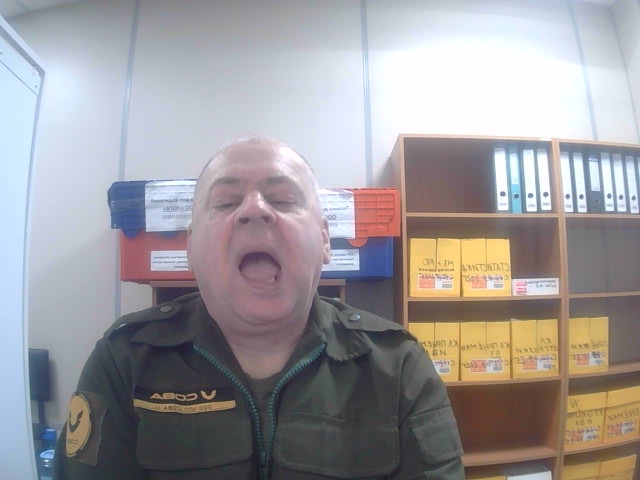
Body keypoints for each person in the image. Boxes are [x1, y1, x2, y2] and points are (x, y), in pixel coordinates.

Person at [54, 135, 464, 479]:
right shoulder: (123, 360)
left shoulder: (397, 366)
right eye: (225, 202)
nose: (254, 209)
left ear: (325, 239)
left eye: (283, 199)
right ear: (191, 247)